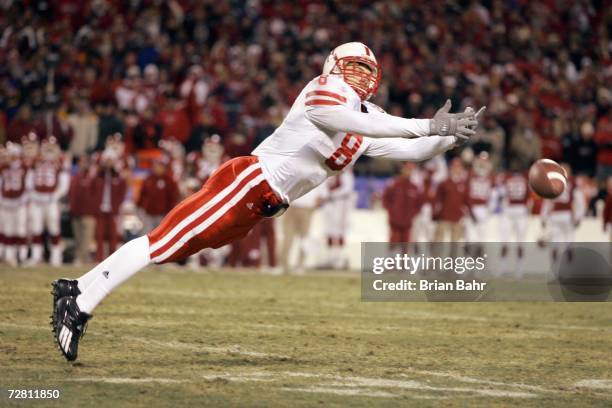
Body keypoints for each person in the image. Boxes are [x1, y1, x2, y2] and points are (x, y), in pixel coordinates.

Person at [51, 42, 483, 361]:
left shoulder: (371, 121)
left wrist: (447, 136)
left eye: (367, 67)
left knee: (171, 247)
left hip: (260, 205)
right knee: (162, 243)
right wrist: (425, 124)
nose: (360, 73)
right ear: (333, 65)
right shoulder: (323, 89)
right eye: (353, 64)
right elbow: (340, 117)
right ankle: (82, 308)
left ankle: (75, 288)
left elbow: (409, 148)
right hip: (248, 182)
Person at [27, 137, 70, 266]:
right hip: (37, 201)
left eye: (52, 147)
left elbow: (64, 183)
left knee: (54, 229)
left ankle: (56, 257)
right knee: (36, 228)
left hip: (51, 201)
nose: (49, 150)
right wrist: (32, 194)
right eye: (47, 147)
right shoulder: (35, 161)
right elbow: (29, 179)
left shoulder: (60, 162)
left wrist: (55, 195)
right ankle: (36, 256)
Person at [69, 155, 97, 266]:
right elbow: (72, 194)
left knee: (86, 238)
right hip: (76, 212)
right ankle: (80, 257)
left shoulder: (92, 177)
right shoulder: (75, 177)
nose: (82, 164)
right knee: (78, 237)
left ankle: (81, 258)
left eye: (84, 162)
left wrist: (93, 209)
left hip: (88, 212)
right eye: (80, 162)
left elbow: (96, 195)